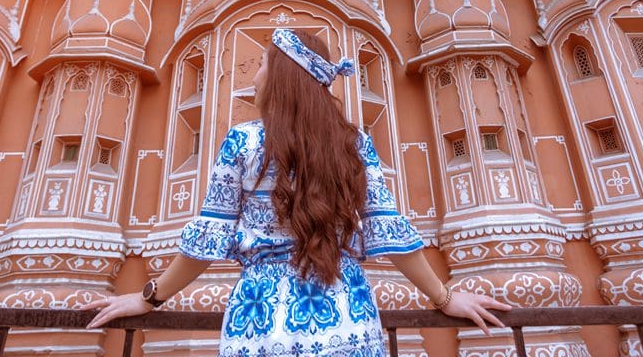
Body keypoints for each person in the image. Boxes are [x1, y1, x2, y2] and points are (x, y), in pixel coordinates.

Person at [81, 28, 511, 354]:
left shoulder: (244, 143)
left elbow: (206, 242)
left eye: (265, 62)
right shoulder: (354, 144)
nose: (257, 72)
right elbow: (389, 232)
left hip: (262, 320)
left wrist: (148, 298)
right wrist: (445, 296)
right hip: (347, 316)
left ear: (284, 76)